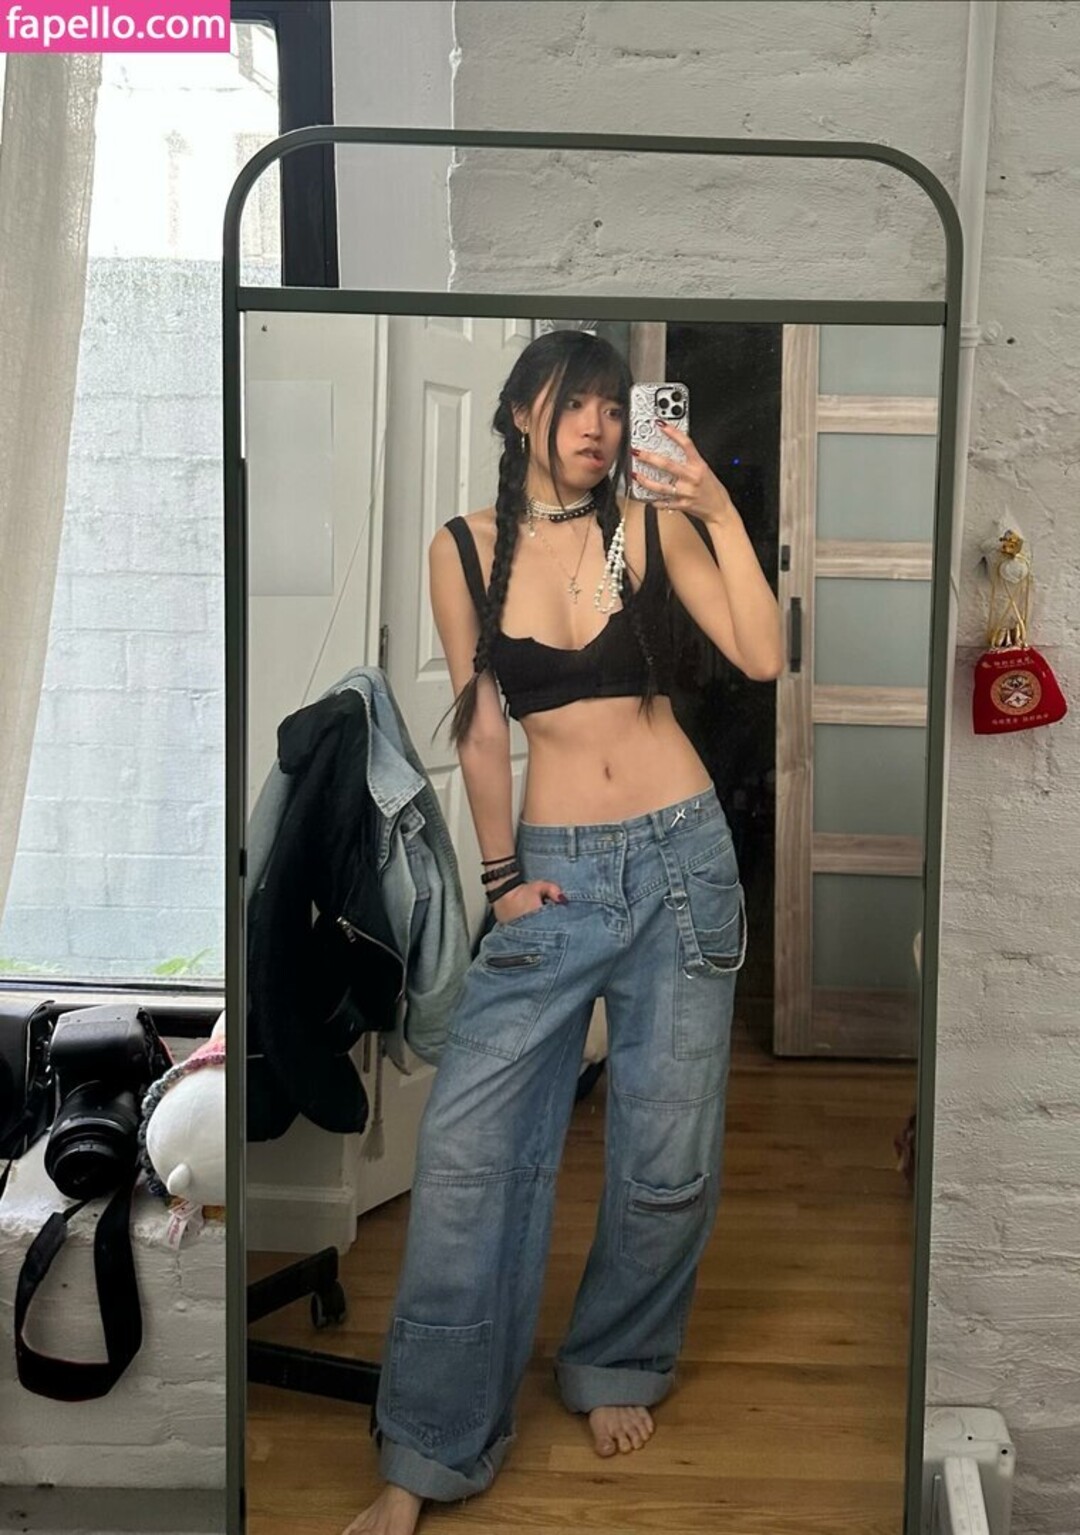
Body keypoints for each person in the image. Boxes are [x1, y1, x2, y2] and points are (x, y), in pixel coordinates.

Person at [344, 329, 783, 1535]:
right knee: (468, 1148)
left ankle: (616, 1359)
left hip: (683, 859)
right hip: (556, 875)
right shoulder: (462, 548)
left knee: (665, 1148)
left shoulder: (647, 524)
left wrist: (714, 507)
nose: (598, 424)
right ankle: (428, 1445)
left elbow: (762, 652)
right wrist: (502, 878)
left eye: (612, 405)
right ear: (521, 410)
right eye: (574, 402)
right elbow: (483, 727)